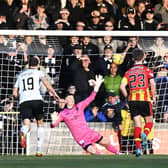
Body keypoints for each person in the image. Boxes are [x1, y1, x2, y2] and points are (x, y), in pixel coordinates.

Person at [51, 75, 120, 155]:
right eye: (69, 98)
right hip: (81, 138)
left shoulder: (79, 106)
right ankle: (102, 160)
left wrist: (96, 88)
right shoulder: (63, 114)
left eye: (72, 98)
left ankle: (118, 153)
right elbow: (53, 125)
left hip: (89, 132)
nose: (71, 99)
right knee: (93, 151)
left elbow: (91, 98)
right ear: (66, 101)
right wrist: (53, 121)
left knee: (106, 141)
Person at [12, 56, 60, 156]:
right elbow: (47, 84)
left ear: (28, 65)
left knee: (27, 125)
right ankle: (38, 150)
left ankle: (23, 131)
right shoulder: (39, 72)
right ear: (38, 65)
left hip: (24, 101)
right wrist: (55, 94)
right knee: (40, 123)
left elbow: (14, 92)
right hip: (36, 100)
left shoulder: (21, 75)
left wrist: (17, 98)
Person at [120, 48, 156, 157]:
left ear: (132, 58)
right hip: (145, 99)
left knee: (137, 125)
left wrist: (127, 97)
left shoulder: (128, 72)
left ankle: (138, 149)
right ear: (144, 57)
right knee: (149, 122)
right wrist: (153, 96)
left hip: (133, 100)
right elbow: (153, 84)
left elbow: (122, 87)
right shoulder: (147, 70)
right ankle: (145, 134)